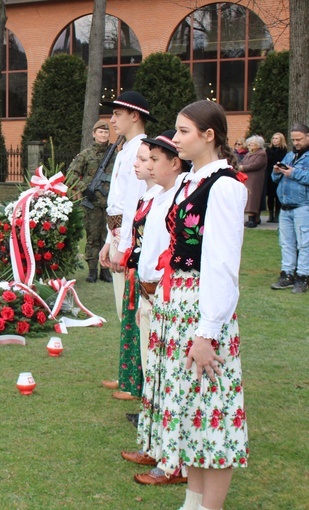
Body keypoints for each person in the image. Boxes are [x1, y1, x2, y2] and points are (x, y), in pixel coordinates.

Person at [138, 100, 248, 509]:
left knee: (213, 413)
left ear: (209, 136)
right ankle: (193, 502)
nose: (175, 138)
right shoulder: (192, 182)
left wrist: (209, 331)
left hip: (202, 308)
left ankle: (210, 507)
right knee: (191, 412)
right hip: (178, 304)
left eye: (183, 131)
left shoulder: (225, 186)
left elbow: (221, 264)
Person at [121, 130, 189, 484]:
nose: (146, 165)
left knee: (166, 378)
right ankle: (154, 443)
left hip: (168, 293)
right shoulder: (159, 196)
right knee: (155, 376)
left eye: (154, 160)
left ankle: (171, 458)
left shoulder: (181, 194)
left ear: (173, 164)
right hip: (150, 292)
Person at [97, 91, 156, 391]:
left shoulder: (140, 151)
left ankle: (138, 380)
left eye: (117, 113)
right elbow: (115, 204)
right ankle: (129, 374)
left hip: (132, 243)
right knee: (126, 313)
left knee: (133, 312)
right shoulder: (124, 150)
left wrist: (123, 246)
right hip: (120, 238)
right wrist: (110, 239)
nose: (112, 119)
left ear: (134, 115)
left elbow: (135, 204)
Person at [113, 141, 159, 401]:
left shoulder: (160, 198)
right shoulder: (148, 196)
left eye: (145, 159)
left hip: (149, 276)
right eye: (140, 158)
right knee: (135, 328)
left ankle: (143, 391)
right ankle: (135, 385)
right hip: (139, 269)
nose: (137, 164)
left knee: (148, 336)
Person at [67, 120, 115, 283]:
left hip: (110, 204)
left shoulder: (115, 155)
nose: (103, 135)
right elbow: (71, 175)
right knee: (93, 238)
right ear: (94, 134)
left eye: (106, 132)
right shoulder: (85, 155)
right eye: (100, 132)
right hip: (92, 203)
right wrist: (84, 188)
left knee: (108, 237)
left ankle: (105, 270)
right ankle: (93, 270)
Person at [270, 123, 309, 294]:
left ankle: (303, 276)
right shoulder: (288, 156)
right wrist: (277, 171)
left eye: (299, 139)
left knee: (304, 243)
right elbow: (274, 179)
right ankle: (287, 274)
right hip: (285, 206)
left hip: (303, 206)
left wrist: (293, 173)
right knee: (286, 243)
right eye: (293, 139)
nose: (296, 142)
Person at [239, 135, 267, 228]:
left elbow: (256, 165)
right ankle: (253, 219)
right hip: (247, 177)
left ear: (258, 144)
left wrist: (242, 167)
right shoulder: (248, 154)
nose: (250, 144)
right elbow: (242, 162)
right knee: (248, 197)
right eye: (249, 143)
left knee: (253, 198)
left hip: (255, 178)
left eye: (252, 143)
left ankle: (253, 219)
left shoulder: (261, 153)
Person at [265, 132, 288, 223]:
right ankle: (270, 215)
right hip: (270, 173)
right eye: (273, 138)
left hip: (280, 174)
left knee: (277, 195)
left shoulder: (284, 150)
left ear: (281, 140)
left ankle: (277, 214)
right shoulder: (268, 150)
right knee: (270, 196)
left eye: (277, 138)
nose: (274, 140)